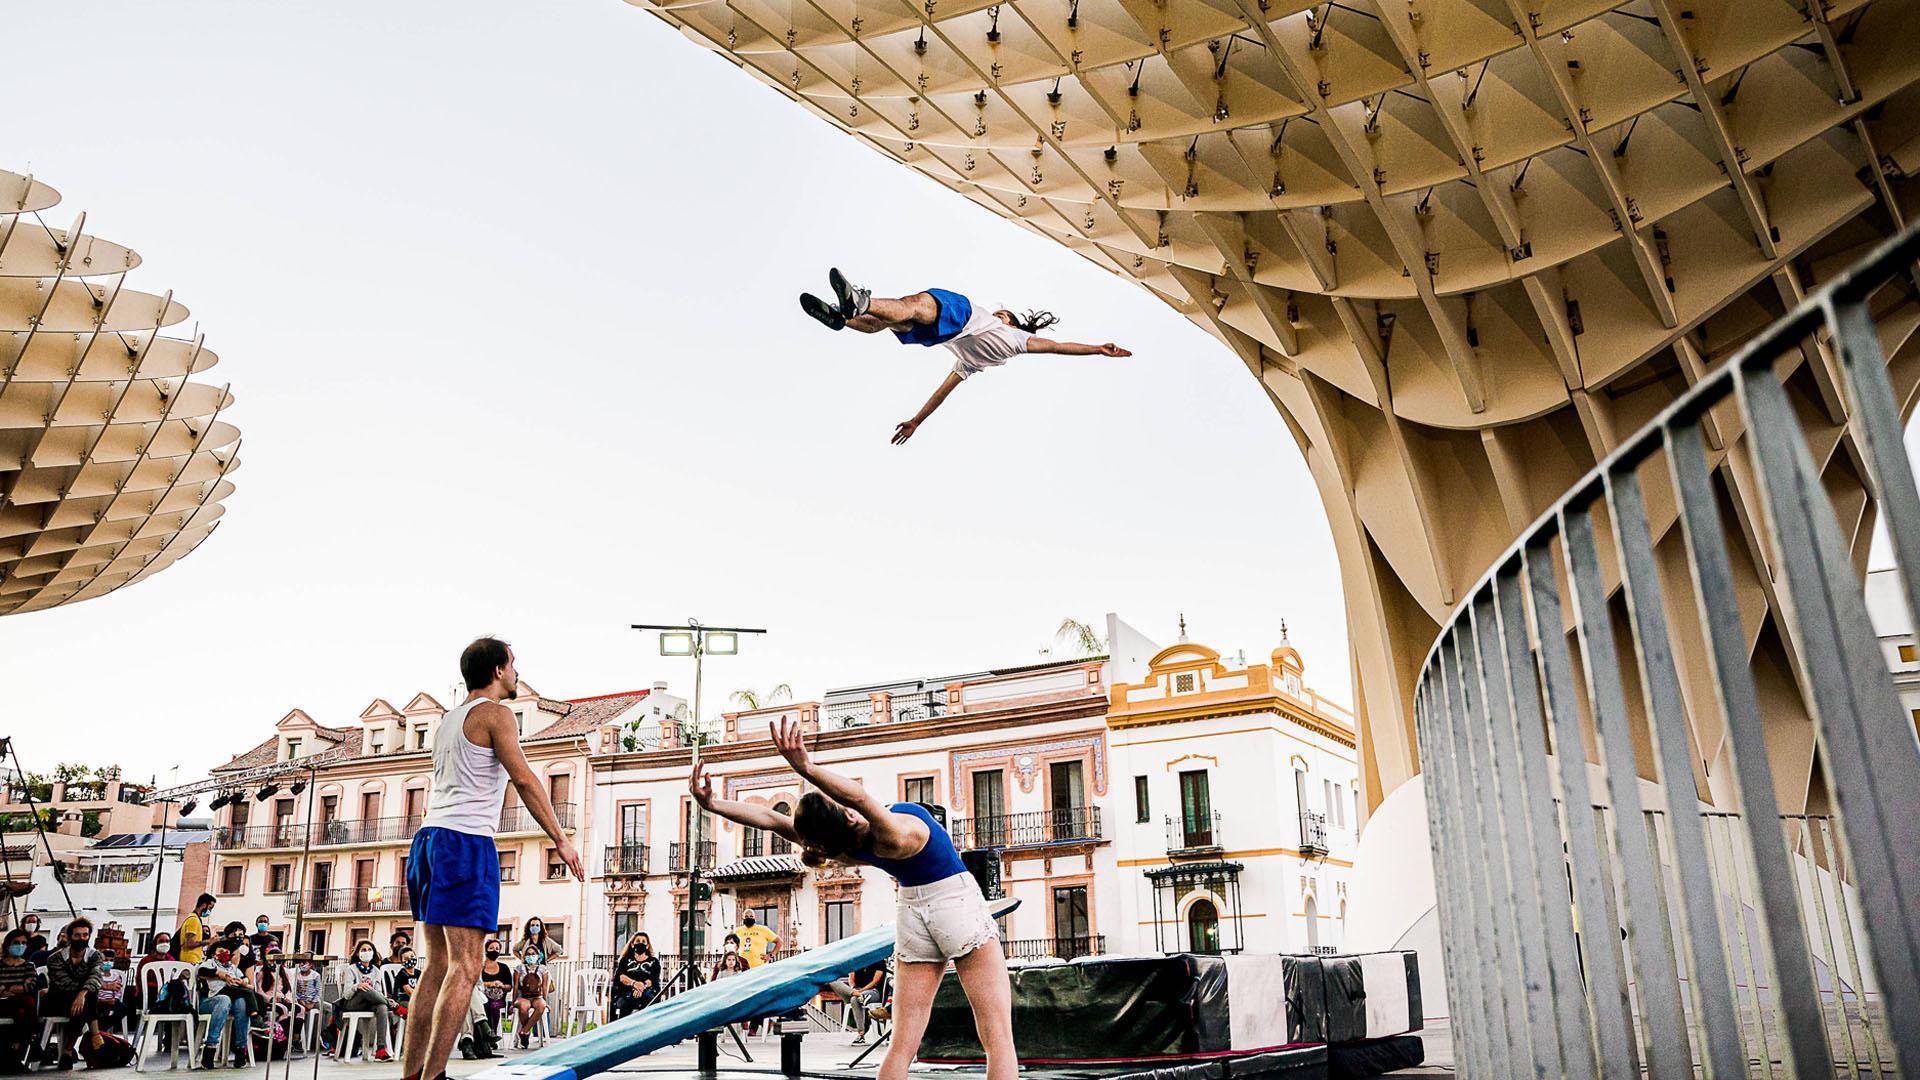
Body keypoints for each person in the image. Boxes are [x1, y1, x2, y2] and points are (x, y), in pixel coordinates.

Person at [693, 718, 1017, 1080]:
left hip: (912, 911)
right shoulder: (887, 833)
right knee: (998, 1037)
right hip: (953, 901)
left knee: (902, 1045)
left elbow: (770, 818)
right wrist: (805, 767)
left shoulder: (837, 845)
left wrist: (713, 804)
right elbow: (859, 796)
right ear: (846, 814)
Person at [400, 637, 584, 1080]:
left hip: (428, 840)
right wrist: (560, 840)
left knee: (437, 966)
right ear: (498, 670)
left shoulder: (447, 721)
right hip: (464, 843)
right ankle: (433, 1077)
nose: (518, 673)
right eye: (513, 664)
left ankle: (412, 1075)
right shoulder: (496, 714)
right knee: (467, 966)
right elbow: (524, 779)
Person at [797, 270, 1132, 445]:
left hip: (959, 315)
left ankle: (860, 304)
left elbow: (1057, 346)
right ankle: (843, 318)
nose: (997, 314)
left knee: (910, 304)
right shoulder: (976, 363)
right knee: (886, 322)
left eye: (1001, 313)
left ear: (1009, 321)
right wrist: (916, 421)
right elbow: (942, 392)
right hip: (941, 336)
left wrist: (1097, 347)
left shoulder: (1016, 337)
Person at [44, 916, 106, 1069]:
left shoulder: (96, 956)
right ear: (70, 936)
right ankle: (94, 1036)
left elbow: (96, 976)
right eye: (77, 935)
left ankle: (68, 1050)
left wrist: (82, 994)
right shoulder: (55, 958)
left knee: (86, 1001)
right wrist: (83, 992)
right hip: (58, 1000)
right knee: (89, 999)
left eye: (85, 935)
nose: (82, 938)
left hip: (82, 1002)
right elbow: (64, 983)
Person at [328, 942, 394, 1062]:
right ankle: (394, 1006)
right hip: (352, 1003)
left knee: (382, 1007)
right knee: (365, 989)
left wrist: (371, 991)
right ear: (358, 953)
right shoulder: (351, 969)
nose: (367, 952)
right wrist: (357, 986)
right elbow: (346, 994)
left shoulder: (376, 971)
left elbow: (378, 993)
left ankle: (381, 1049)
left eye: (369, 949)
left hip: (369, 1003)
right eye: (363, 950)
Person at [194, 943, 253, 1069]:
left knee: (241, 1002)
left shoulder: (232, 967)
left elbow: (244, 977)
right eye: (221, 951)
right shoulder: (209, 963)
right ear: (213, 954)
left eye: (227, 951)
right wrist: (220, 974)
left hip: (231, 1003)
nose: (225, 953)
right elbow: (201, 971)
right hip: (210, 1001)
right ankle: (210, 1049)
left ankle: (240, 1050)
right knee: (224, 999)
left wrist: (243, 981)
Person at [0, 929, 41, 1072]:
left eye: (23, 943)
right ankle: (31, 1040)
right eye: (16, 943)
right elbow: (23, 986)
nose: (20, 946)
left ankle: (15, 1049)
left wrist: (6, 987)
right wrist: (16, 988)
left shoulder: (28, 966)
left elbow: (30, 986)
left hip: (19, 1005)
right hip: (3, 1004)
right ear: (8, 945)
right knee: (26, 1003)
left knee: (26, 1003)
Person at [827, 961, 886, 1044]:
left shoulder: (879, 961)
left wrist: (861, 991)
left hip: (873, 992)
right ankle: (856, 994)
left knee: (854, 999)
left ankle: (861, 1034)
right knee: (832, 981)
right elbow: (851, 979)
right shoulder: (857, 960)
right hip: (856, 992)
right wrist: (853, 989)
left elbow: (875, 981)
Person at [609, 933, 658, 1020]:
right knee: (624, 1005)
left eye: (643, 941)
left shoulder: (654, 962)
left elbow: (653, 979)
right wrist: (634, 984)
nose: (640, 943)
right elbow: (621, 977)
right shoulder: (625, 960)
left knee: (650, 1004)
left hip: (646, 992)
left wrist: (641, 987)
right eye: (638, 941)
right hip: (626, 992)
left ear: (647, 945)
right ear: (632, 944)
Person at [510, 945, 551, 1049]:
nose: (530, 956)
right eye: (528, 954)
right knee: (524, 1007)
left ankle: (524, 1031)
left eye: (533, 954)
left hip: (537, 996)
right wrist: (513, 1002)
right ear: (524, 956)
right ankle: (526, 1033)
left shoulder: (543, 969)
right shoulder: (519, 968)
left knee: (541, 1006)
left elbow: (544, 987)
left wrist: (546, 1001)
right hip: (522, 996)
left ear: (538, 956)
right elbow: (515, 986)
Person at [178, 894, 215, 964]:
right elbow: (190, 943)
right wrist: (208, 941)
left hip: (193, 960)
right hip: (190, 961)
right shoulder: (194, 920)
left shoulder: (195, 919)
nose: (210, 911)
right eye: (210, 908)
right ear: (204, 905)